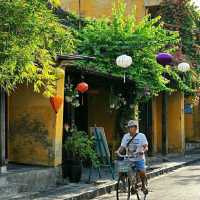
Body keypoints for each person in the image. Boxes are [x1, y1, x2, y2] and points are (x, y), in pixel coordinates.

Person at [116, 120, 148, 194]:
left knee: (142, 171)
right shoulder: (126, 136)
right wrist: (118, 151)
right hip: (129, 158)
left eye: (131, 127)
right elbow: (122, 146)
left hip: (139, 158)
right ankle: (125, 185)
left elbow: (146, 147)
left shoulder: (141, 136)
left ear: (136, 128)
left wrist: (143, 151)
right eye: (129, 127)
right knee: (121, 169)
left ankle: (143, 185)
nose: (129, 129)